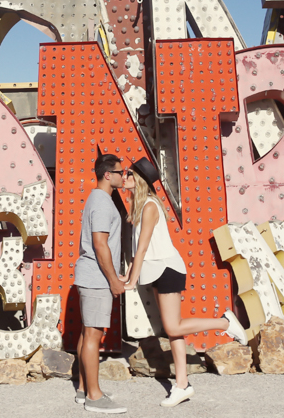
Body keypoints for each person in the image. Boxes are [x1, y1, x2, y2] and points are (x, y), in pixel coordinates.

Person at [122, 157, 248, 407]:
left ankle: (225, 322)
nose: (123, 177)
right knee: (175, 330)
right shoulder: (144, 205)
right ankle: (182, 385)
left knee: (173, 327)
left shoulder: (149, 206)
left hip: (167, 270)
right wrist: (131, 275)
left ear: (138, 179)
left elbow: (143, 246)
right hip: (161, 271)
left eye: (127, 173)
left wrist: (131, 278)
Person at [73, 153, 128, 414]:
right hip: (97, 278)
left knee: (87, 334)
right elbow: (100, 243)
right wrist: (114, 280)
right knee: (94, 336)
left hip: (91, 276)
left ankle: (84, 390)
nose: (124, 175)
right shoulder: (103, 203)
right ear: (108, 175)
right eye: (121, 172)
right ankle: (94, 397)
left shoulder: (97, 198)